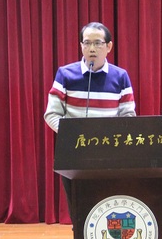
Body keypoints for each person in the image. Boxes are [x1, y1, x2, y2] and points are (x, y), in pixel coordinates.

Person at [44, 21, 136, 223]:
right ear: (81, 46)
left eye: (97, 43)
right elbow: (51, 114)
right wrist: (73, 135)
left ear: (109, 46)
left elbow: (128, 117)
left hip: (109, 155)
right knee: (79, 213)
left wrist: (110, 139)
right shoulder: (65, 74)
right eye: (87, 43)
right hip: (74, 154)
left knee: (108, 209)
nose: (92, 48)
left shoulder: (121, 77)